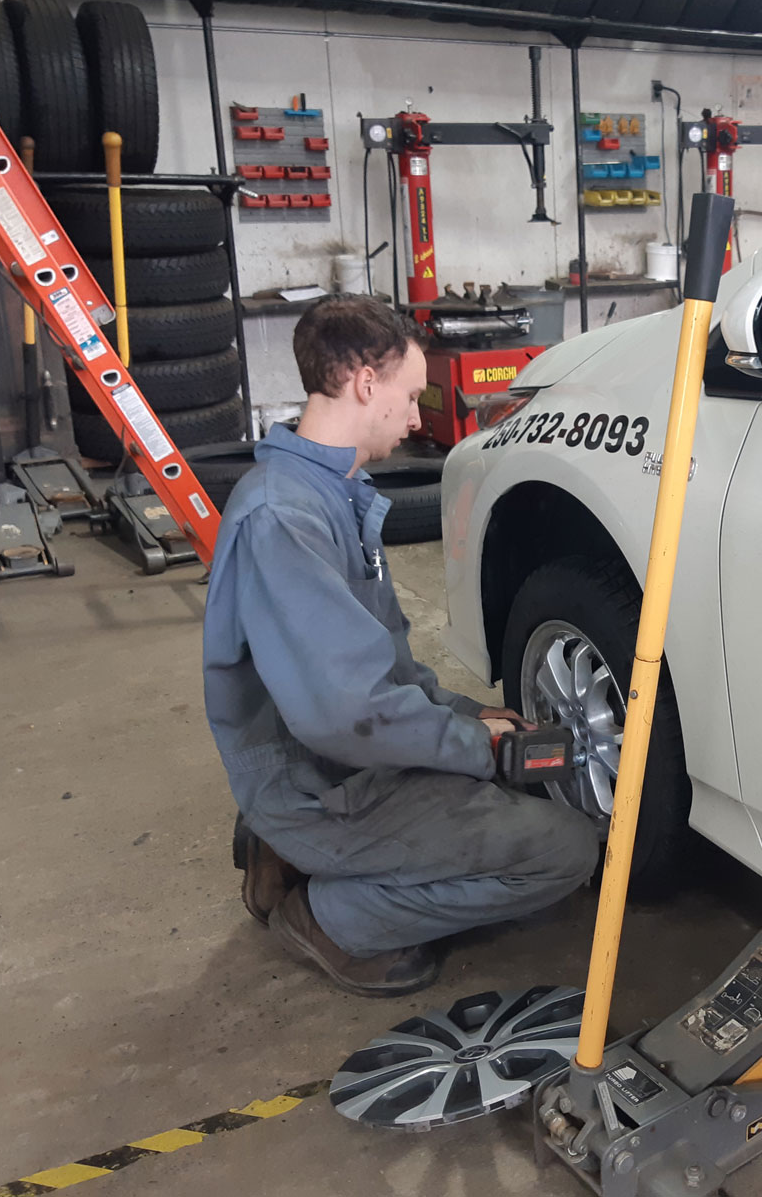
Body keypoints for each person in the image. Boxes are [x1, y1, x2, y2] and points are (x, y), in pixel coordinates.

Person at [202, 294, 598, 997]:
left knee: (490, 775)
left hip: (337, 767)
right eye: (411, 394)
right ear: (363, 383)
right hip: (321, 787)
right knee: (563, 852)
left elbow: (386, 668)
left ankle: (297, 857)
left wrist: (469, 715)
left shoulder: (329, 493)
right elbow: (346, 714)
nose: (418, 417)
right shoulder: (283, 519)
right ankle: (330, 916)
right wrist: (480, 750)